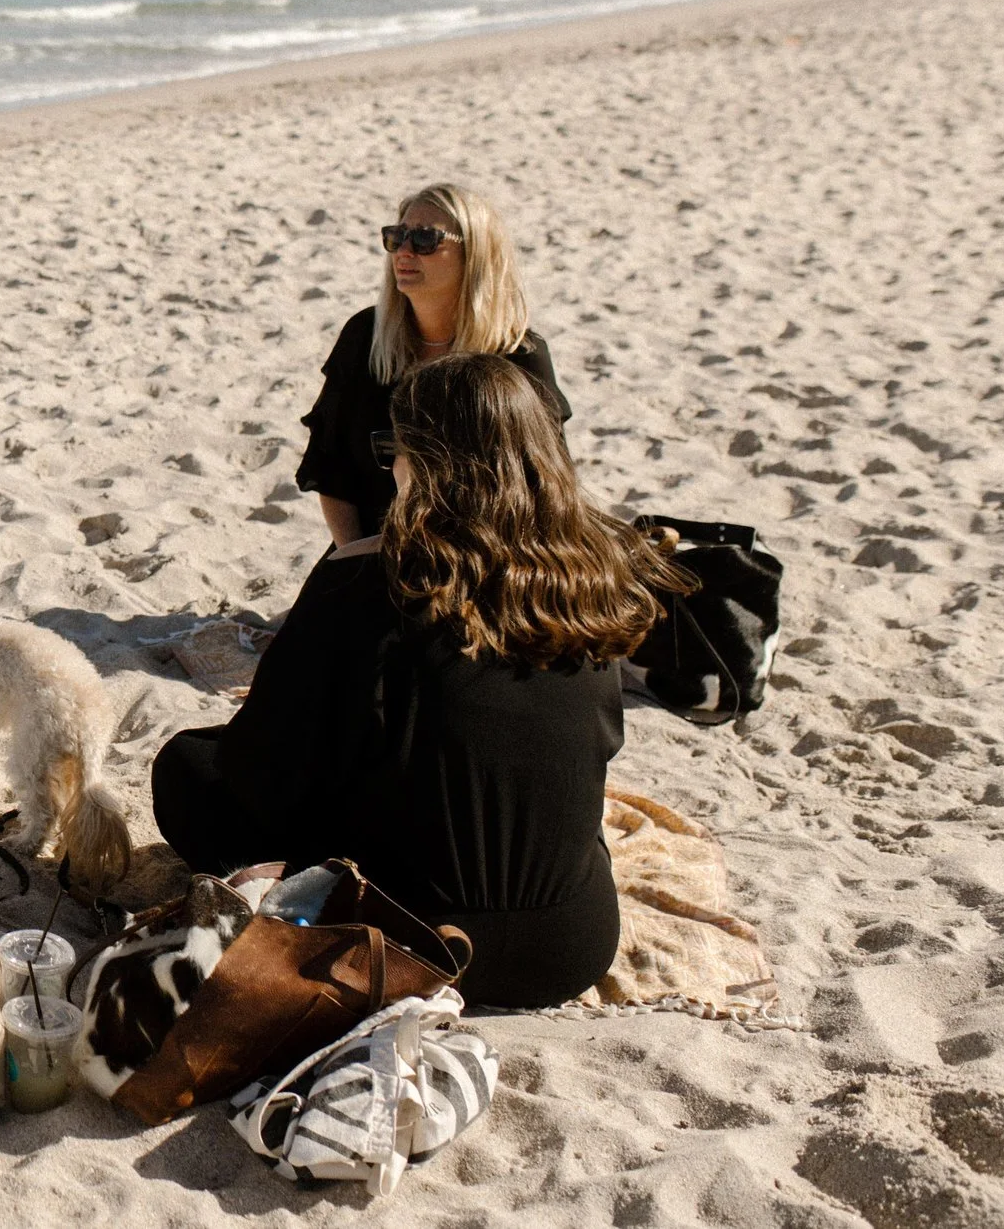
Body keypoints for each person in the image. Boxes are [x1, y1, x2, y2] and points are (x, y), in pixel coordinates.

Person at [152, 354, 686, 1008]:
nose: (391, 470)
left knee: (187, 767)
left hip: (413, 934)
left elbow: (258, 773)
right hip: (569, 942)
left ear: (427, 463)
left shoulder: (368, 578)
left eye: (393, 448)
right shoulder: (590, 577)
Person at [298, 182, 568, 547]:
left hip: (487, 553)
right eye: (397, 237)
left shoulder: (518, 356)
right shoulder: (367, 337)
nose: (404, 252)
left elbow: (548, 488)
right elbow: (332, 469)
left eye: (425, 239)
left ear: (474, 253)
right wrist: (352, 558)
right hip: (374, 545)